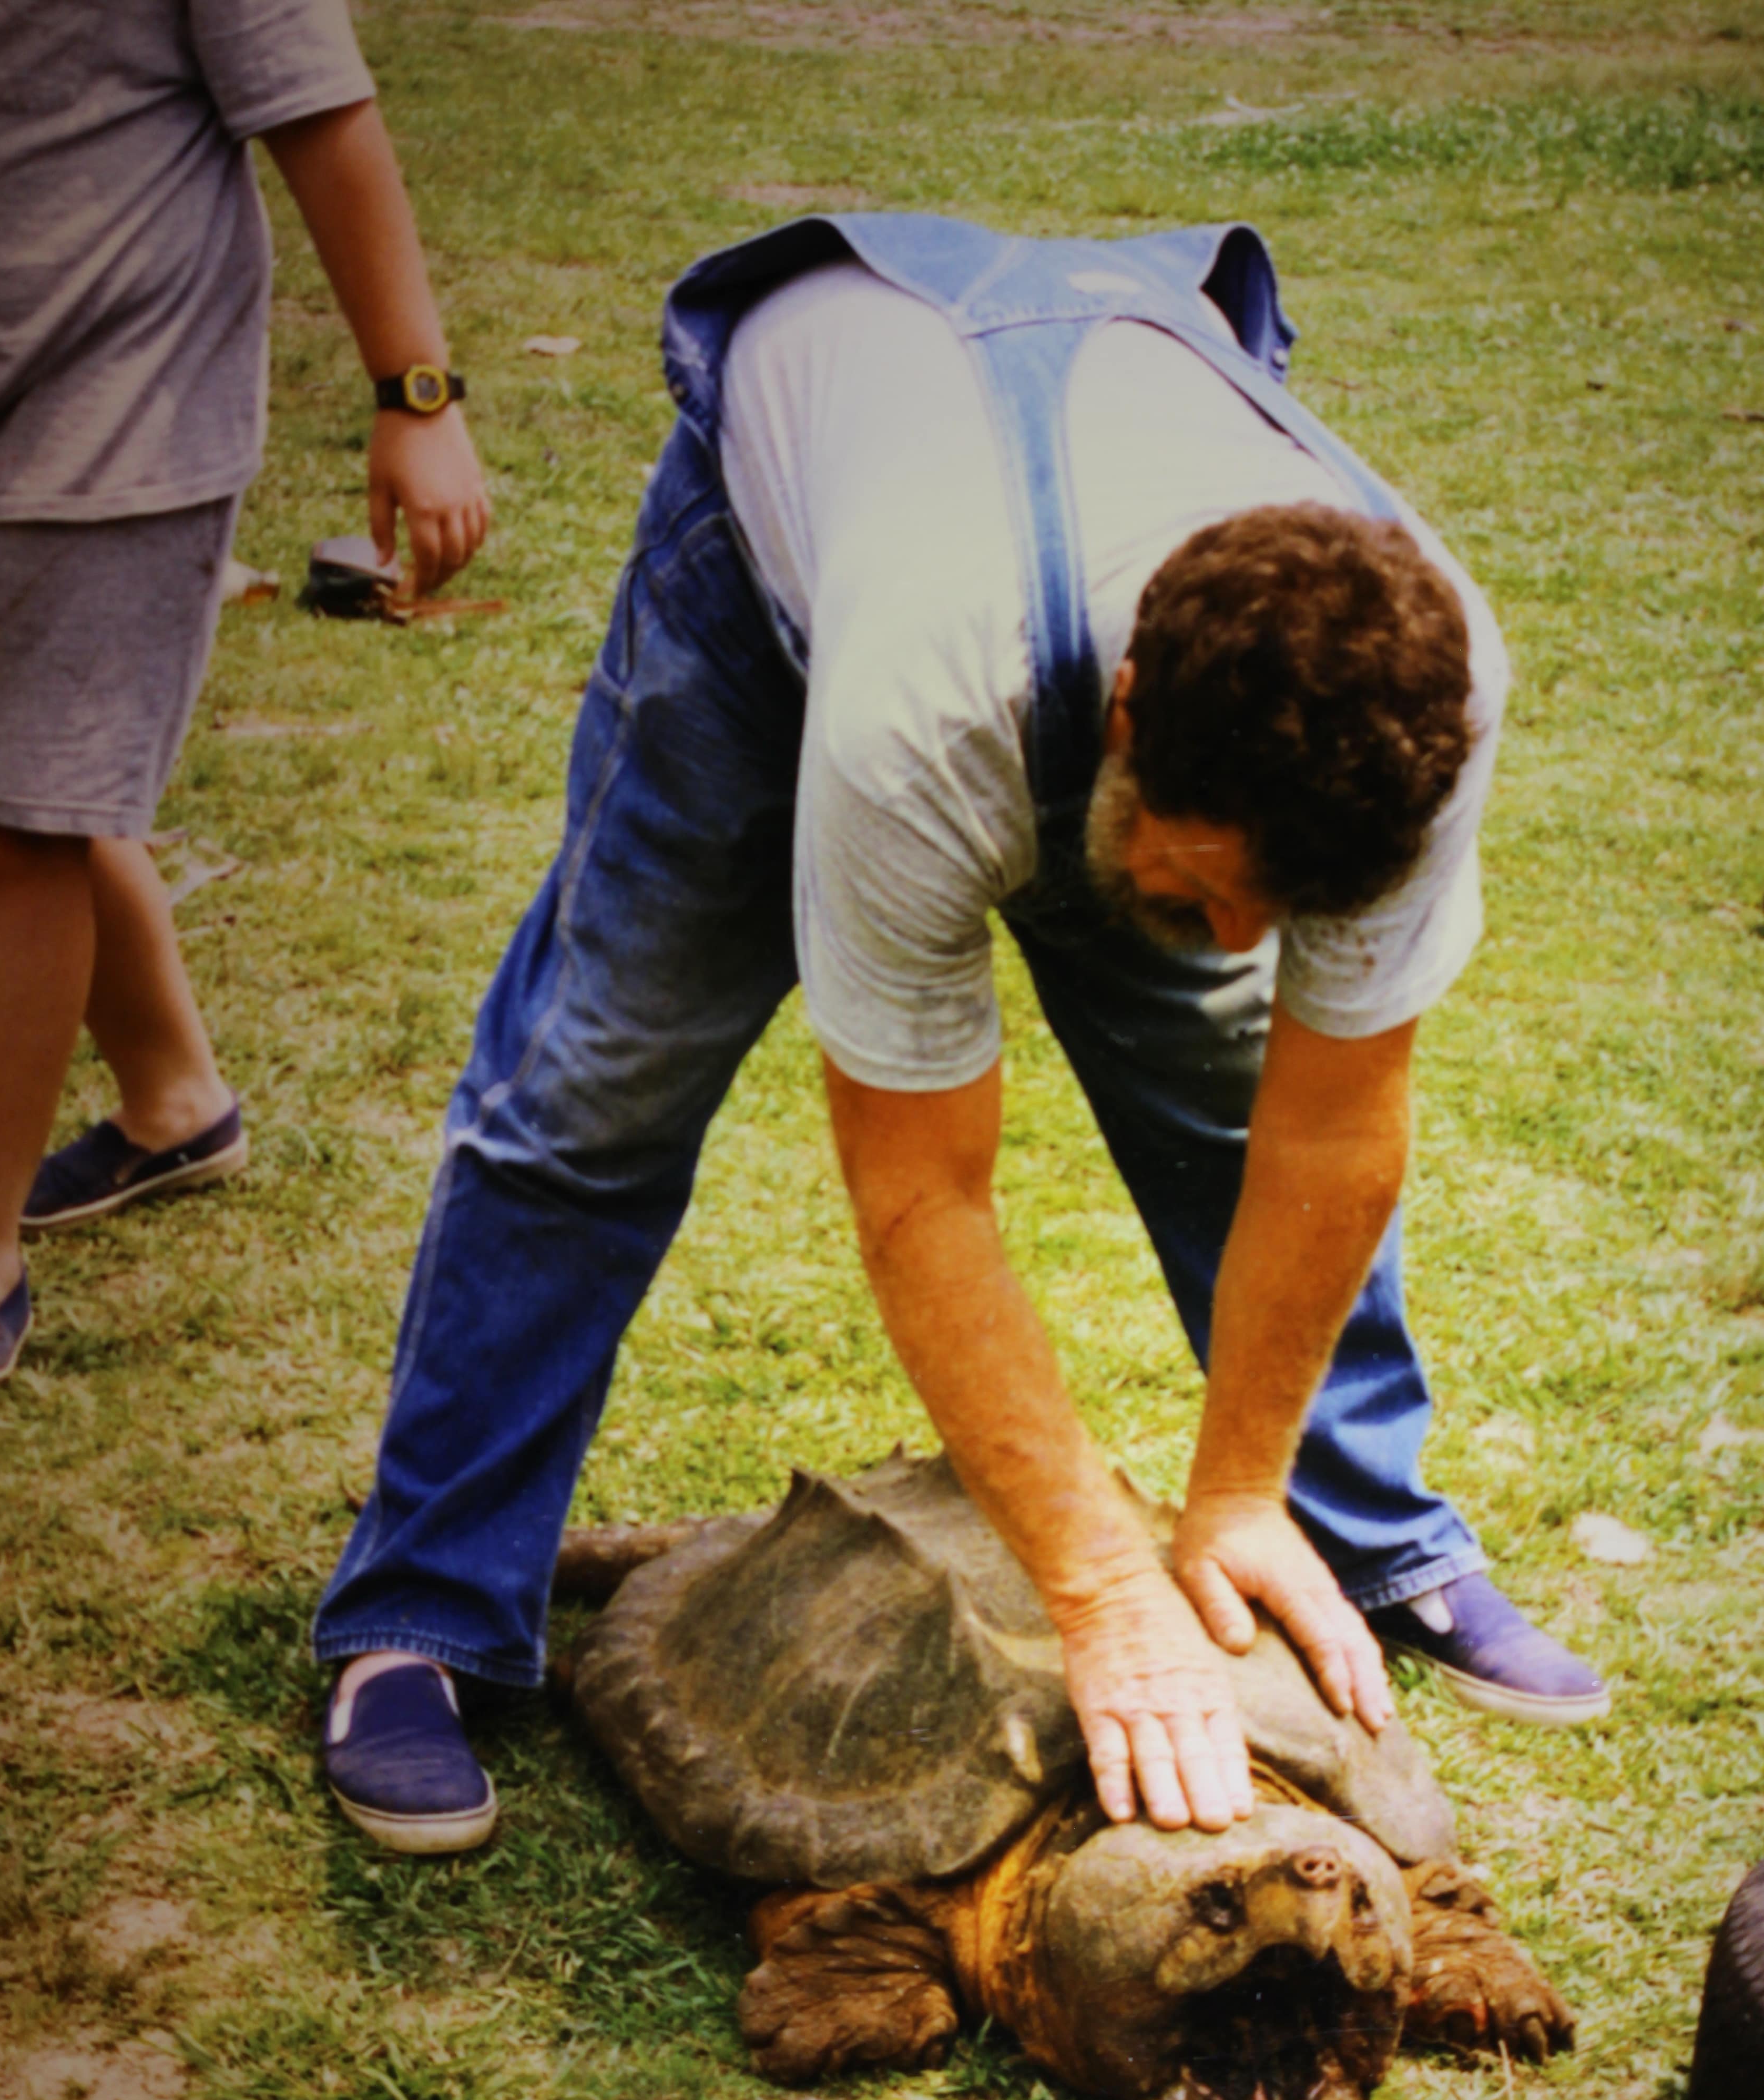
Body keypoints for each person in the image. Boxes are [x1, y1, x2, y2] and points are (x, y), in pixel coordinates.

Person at [313, 211, 1607, 1859]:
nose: (1234, 947)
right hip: (792, 550)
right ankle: (425, 1606)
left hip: (1058, 543)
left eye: (1273, 916)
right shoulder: (927, 695)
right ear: (1132, 717)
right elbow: (922, 1192)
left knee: (1232, 1092)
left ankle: (1351, 1530)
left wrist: (1225, 1494)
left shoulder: (1435, 689)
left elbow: (1337, 1125)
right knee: (599, 1085)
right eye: (1212, 890)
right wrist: (1102, 1594)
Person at [0, 0, 489, 1410]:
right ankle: (174, 1100)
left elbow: (326, 114)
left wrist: (415, 394)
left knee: (10, 826)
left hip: (106, 414)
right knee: (20, 789)